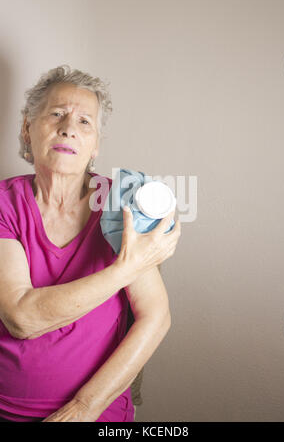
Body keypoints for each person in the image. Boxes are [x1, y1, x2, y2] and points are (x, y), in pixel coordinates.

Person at [0, 65, 181, 422]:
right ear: (26, 128)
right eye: (56, 114)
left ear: (96, 144)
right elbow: (21, 317)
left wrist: (85, 408)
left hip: (97, 411)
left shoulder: (121, 204)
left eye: (85, 122)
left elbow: (155, 316)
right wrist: (125, 270)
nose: (68, 127)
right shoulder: (5, 203)